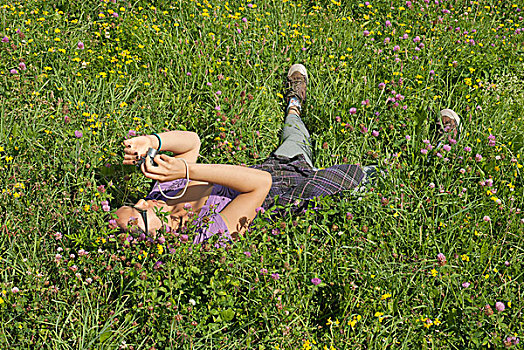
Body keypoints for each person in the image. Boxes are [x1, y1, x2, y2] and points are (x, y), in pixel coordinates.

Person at [115, 64, 461, 244]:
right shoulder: (207, 236)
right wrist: (188, 173)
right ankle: (440, 149)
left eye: (135, 204)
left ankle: (295, 101)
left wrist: (154, 142)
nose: (144, 204)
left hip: (278, 167)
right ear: (155, 238)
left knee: (293, 131)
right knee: (383, 174)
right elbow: (258, 185)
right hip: (302, 195)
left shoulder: (162, 191)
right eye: (139, 217)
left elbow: (191, 141)